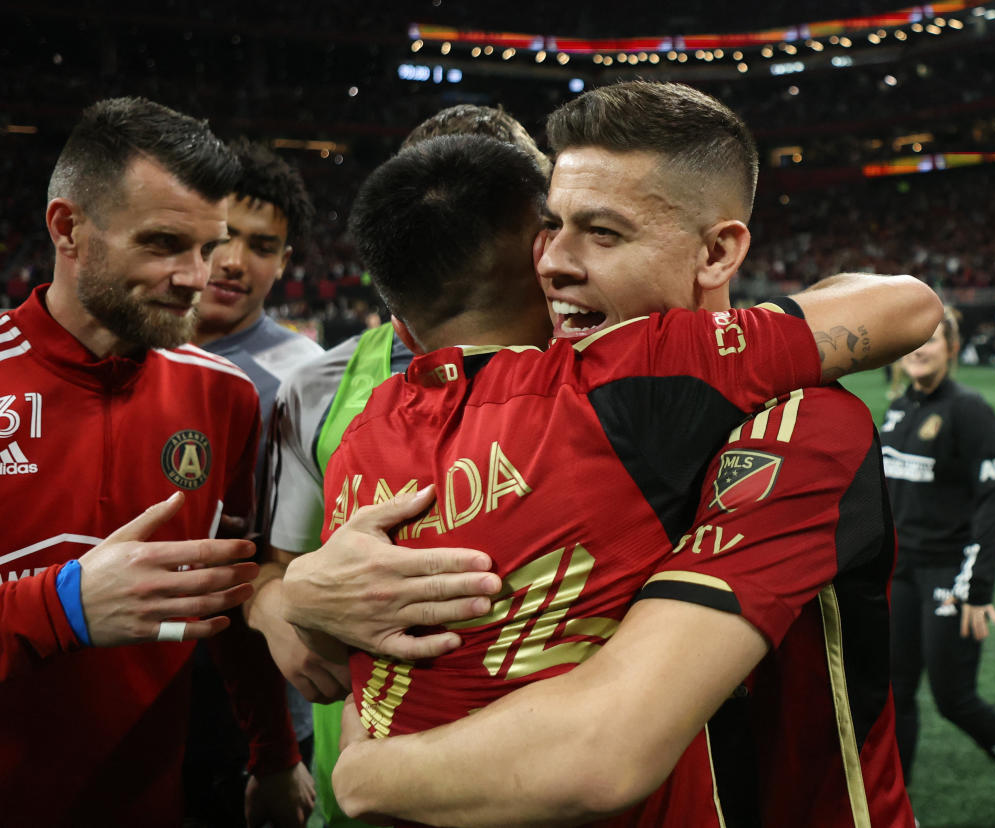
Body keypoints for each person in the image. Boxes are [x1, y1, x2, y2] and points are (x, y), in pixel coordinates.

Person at [291, 82, 937, 826]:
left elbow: (603, 745)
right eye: (550, 227)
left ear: (718, 251)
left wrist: (368, 775)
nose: (553, 262)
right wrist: (303, 594)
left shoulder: (802, 424)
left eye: (603, 232)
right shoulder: (526, 420)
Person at [0, 97, 298, 826]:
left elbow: (225, 599)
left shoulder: (223, 396)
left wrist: (275, 757)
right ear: (67, 229)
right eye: (165, 244)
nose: (198, 277)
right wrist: (61, 606)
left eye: (208, 246)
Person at [250, 105, 551, 828]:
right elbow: (274, 567)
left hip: (549, 777)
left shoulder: (611, 377)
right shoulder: (321, 388)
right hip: (365, 778)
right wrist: (281, 615)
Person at [881, 310, 995, 828]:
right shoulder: (897, 410)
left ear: (952, 347)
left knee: (954, 698)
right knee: (896, 694)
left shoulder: (969, 410)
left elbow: (990, 502)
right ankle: (898, 811)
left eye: (932, 339)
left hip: (949, 576)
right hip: (900, 574)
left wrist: (977, 589)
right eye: (913, 339)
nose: (920, 348)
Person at [187, 137, 321, 828]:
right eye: (222, 237)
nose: (236, 262)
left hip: (258, 690)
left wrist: (275, 750)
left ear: (284, 263)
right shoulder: (130, 349)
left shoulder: (307, 379)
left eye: (262, 246)